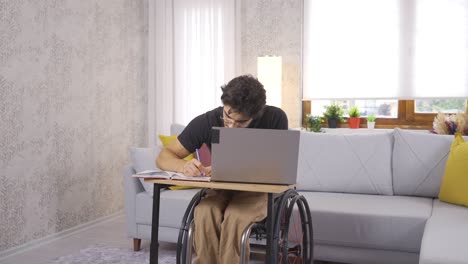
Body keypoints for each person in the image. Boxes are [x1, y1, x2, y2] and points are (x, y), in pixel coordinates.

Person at [156, 74, 288, 264]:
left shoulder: (275, 118)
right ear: (224, 105)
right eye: (228, 117)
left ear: (256, 115)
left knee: (236, 216)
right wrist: (183, 165)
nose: (232, 127)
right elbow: (163, 156)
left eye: (241, 123)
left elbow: (279, 165)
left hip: (258, 190)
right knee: (204, 212)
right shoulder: (207, 120)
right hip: (221, 187)